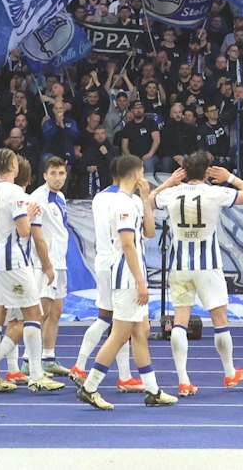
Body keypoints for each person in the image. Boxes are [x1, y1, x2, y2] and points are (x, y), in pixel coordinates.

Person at [156, 151, 243, 395]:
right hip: (208, 265)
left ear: (184, 171)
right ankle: (229, 373)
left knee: (179, 322)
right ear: (207, 172)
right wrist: (230, 177)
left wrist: (168, 182)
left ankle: (183, 380)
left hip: (180, 266)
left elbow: (147, 200)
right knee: (220, 322)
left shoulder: (171, 193)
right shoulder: (215, 192)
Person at [75, 153, 176, 409]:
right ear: (137, 173)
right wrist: (140, 282)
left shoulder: (133, 201)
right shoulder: (121, 204)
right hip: (127, 276)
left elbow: (149, 232)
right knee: (119, 334)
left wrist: (145, 199)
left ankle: (152, 390)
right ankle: (90, 387)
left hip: (133, 273)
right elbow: (128, 244)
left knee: (141, 332)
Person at [0, 147, 65, 394]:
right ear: (12, 165)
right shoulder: (15, 192)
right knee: (33, 314)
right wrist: (27, 214)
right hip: (13, 261)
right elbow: (25, 230)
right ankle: (36, 374)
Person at [37, 155, 73, 377]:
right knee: (41, 313)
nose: (57, 178)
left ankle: (48, 358)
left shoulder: (60, 197)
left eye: (61, 173)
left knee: (56, 311)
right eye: (53, 173)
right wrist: (45, 264)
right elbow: (34, 233)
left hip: (60, 262)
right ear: (45, 175)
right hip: (46, 264)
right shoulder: (38, 199)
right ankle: (28, 361)